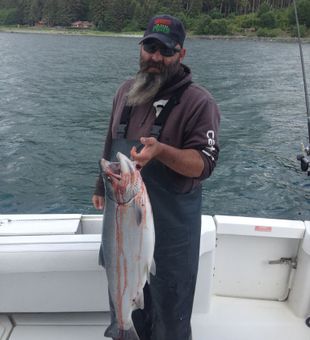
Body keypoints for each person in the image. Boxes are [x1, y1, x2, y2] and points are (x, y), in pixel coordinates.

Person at [93, 14, 220, 340]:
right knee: (124, 303)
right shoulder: (125, 92)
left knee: (169, 323)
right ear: (141, 48)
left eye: (165, 51)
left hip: (173, 236)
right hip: (122, 227)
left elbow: (203, 164)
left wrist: (161, 151)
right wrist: (99, 184)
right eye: (150, 48)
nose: (155, 58)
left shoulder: (198, 102)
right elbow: (110, 144)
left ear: (181, 54)